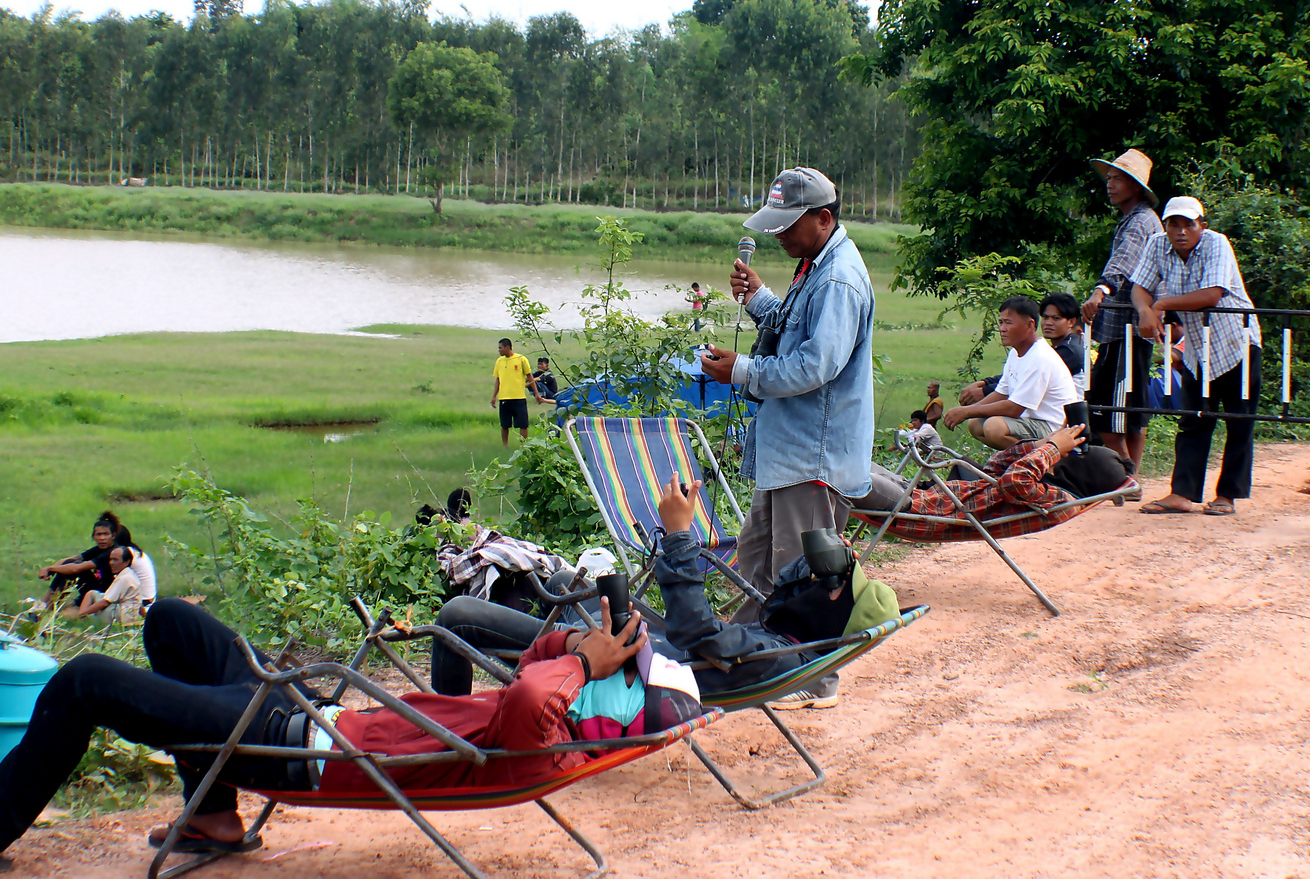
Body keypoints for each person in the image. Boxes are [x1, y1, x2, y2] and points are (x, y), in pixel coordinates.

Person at [0, 597, 699, 875]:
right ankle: (213, 815)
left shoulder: (551, 733)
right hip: (311, 722)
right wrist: (577, 648)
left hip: (304, 750)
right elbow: (536, 667)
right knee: (172, 621)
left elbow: (532, 693)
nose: (604, 673)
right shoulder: (563, 714)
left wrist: (579, 664)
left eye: (621, 675)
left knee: (85, 678)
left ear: (620, 707)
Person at [429, 474, 901, 711]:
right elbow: (789, 581)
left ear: (833, 601)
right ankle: (525, 662)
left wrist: (679, 535)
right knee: (560, 584)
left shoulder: (773, 653)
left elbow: (697, 630)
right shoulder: (783, 647)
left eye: (828, 579)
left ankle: (454, 725)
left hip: (619, 671)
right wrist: (831, 565)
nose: (811, 576)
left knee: (456, 615)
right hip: (645, 652)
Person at [697, 168, 874, 635]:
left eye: (787, 224)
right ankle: (749, 660)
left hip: (812, 460)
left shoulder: (838, 280)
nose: (777, 234)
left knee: (805, 578)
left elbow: (814, 366)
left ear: (822, 218)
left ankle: (812, 678)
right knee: (758, 569)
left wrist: (741, 370)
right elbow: (796, 327)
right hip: (788, 456)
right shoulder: (817, 264)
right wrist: (758, 299)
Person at [1130, 197, 1262, 516]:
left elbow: (1212, 294)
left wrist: (1159, 307)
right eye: (1174, 223)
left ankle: (1227, 495)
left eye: (1189, 223)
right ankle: (1182, 493)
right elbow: (1140, 287)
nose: (1181, 231)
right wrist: (1145, 310)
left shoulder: (1217, 243)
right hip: (1198, 347)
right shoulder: (1157, 244)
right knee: (1193, 420)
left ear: (1202, 224)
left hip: (1236, 342)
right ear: (1165, 226)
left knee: (1239, 420)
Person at [854, 425, 1132, 537]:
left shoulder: (1061, 501)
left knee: (840, 474)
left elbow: (1013, 482)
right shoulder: (1043, 484)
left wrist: (1051, 451)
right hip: (914, 492)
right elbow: (995, 466)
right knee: (842, 462)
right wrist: (1041, 443)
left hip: (915, 511)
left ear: (1083, 473)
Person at [1080, 149, 1163, 471]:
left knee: (1108, 407)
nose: (1110, 185)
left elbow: (1123, 263)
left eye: (1119, 179)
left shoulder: (1140, 222)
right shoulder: (1136, 219)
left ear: (1137, 187)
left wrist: (1101, 291)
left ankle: (1127, 472)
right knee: (1129, 403)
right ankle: (1131, 473)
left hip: (1126, 327)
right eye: (1110, 178)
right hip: (1129, 327)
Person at [942, 297, 1077, 450]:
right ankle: (1017, 459)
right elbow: (1002, 393)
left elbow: (1014, 408)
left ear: (1030, 325)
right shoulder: (1016, 353)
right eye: (1001, 322)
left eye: (1008, 323)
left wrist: (966, 411)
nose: (1002, 328)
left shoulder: (1040, 357)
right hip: (1031, 421)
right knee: (976, 423)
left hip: (1054, 427)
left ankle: (1036, 460)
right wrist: (966, 413)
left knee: (994, 427)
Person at [38, 513, 124, 610]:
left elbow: (76, 569)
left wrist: (50, 568)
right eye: (99, 534)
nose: (102, 538)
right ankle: (45, 605)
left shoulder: (113, 552)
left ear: (113, 536)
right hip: (96, 587)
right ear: (93, 537)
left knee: (72, 569)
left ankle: (46, 606)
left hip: (106, 593)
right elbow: (71, 559)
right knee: (68, 564)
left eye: (106, 534)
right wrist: (49, 570)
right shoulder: (98, 549)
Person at [71, 545, 146, 624]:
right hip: (128, 614)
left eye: (115, 560)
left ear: (126, 561)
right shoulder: (131, 575)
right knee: (91, 593)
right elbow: (138, 602)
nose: (111, 563)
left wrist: (84, 613)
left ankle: (82, 617)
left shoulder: (124, 578)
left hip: (121, 615)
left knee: (93, 602)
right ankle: (83, 616)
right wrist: (145, 618)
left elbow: (105, 603)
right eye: (110, 559)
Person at [1040, 292, 1089, 395]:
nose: (1048, 323)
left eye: (1056, 318)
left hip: (1070, 409)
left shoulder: (1069, 350)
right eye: (1045, 317)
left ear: (1071, 322)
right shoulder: (1069, 343)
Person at [490, 338, 536, 445]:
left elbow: (529, 377)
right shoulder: (499, 361)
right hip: (504, 398)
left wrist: (536, 394)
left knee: (523, 424)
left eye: (500, 348)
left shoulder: (521, 359)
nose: (499, 350)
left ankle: (524, 446)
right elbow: (498, 380)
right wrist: (494, 397)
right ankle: (505, 446)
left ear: (507, 347)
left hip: (519, 398)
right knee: (505, 425)